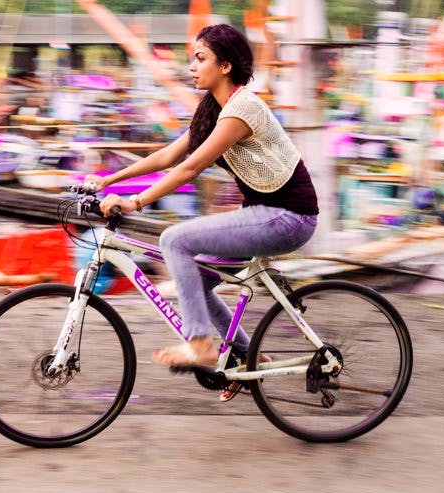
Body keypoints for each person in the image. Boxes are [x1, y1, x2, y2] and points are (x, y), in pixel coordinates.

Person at [84, 24, 319, 402]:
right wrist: (108, 180)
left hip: (288, 216)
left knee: (174, 239)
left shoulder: (242, 110)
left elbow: (190, 169)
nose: (191, 66)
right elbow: (168, 156)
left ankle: (201, 344)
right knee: (197, 277)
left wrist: (135, 202)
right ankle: (247, 355)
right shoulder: (215, 109)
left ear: (225, 66)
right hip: (265, 212)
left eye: (200, 58)